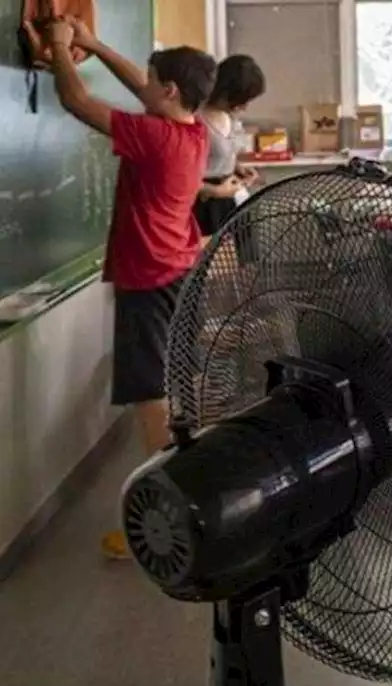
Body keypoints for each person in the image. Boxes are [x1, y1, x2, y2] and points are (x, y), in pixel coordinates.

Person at [36, 18, 217, 558]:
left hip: (152, 278)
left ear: (171, 92)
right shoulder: (192, 129)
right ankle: (187, 501)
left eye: (154, 81)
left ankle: (167, 523)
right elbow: (144, 84)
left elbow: (75, 101)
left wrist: (66, 52)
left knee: (150, 400)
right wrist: (94, 44)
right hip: (178, 272)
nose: (145, 86)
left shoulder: (153, 136)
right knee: (169, 392)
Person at [194, 54, 266, 241]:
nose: (245, 106)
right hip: (204, 204)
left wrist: (236, 168)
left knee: (241, 262)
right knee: (208, 264)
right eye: (243, 99)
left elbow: (218, 155)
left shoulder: (229, 117)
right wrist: (214, 190)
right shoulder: (195, 119)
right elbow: (178, 176)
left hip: (230, 199)